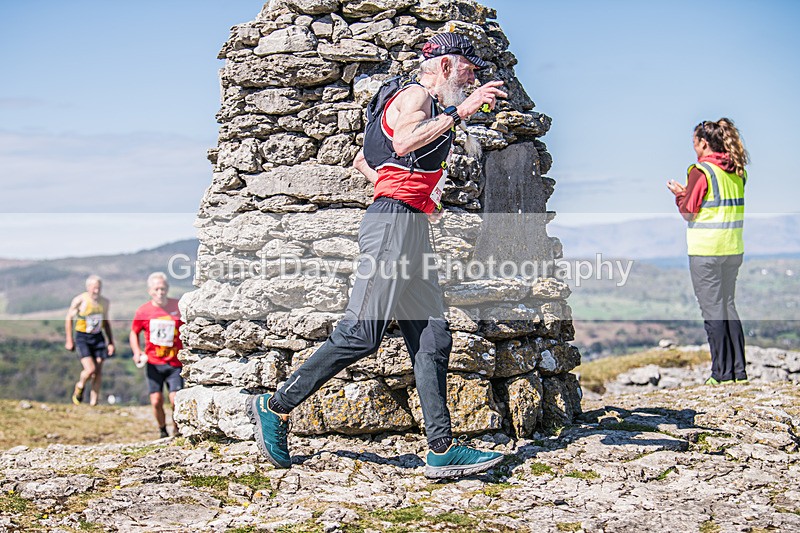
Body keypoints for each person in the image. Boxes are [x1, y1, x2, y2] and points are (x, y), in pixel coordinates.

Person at [247, 33, 508, 479]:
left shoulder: (414, 101)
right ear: (445, 66)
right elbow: (405, 144)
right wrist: (459, 113)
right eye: (469, 67)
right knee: (361, 333)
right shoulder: (416, 97)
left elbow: (365, 162)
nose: (474, 76)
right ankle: (276, 405)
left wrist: (416, 194)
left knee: (431, 337)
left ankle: (441, 449)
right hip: (392, 228)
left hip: (408, 225)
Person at [667, 118, 749, 385]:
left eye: (694, 142)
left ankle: (720, 374)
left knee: (712, 311)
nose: (693, 148)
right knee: (728, 306)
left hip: (706, 250)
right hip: (732, 247)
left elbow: (689, 212)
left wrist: (680, 194)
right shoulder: (737, 171)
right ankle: (739, 372)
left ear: (703, 143)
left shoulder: (701, 171)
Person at [130, 272, 184, 438]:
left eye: (163, 288)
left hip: (175, 363)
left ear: (167, 289)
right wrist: (136, 351)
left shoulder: (178, 307)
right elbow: (134, 332)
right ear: (150, 291)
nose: (160, 292)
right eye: (156, 289)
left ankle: (177, 429)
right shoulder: (143, 311)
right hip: (154, 363)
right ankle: (162, 430)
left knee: (175, 400)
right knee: (156, 401)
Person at [65, 275, 115, 405]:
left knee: (98, 370)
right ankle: (80, 386)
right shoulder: (80, 300)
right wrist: (69, 340)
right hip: (83, 337)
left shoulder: (105, 302)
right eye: (94, 288)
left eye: (99, 288)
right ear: (88, 288)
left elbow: (106, 322)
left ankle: (94, 401)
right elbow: (68, 318)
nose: (96, 291)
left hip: (98, 336)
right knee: (90, 369)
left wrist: (110, 342)